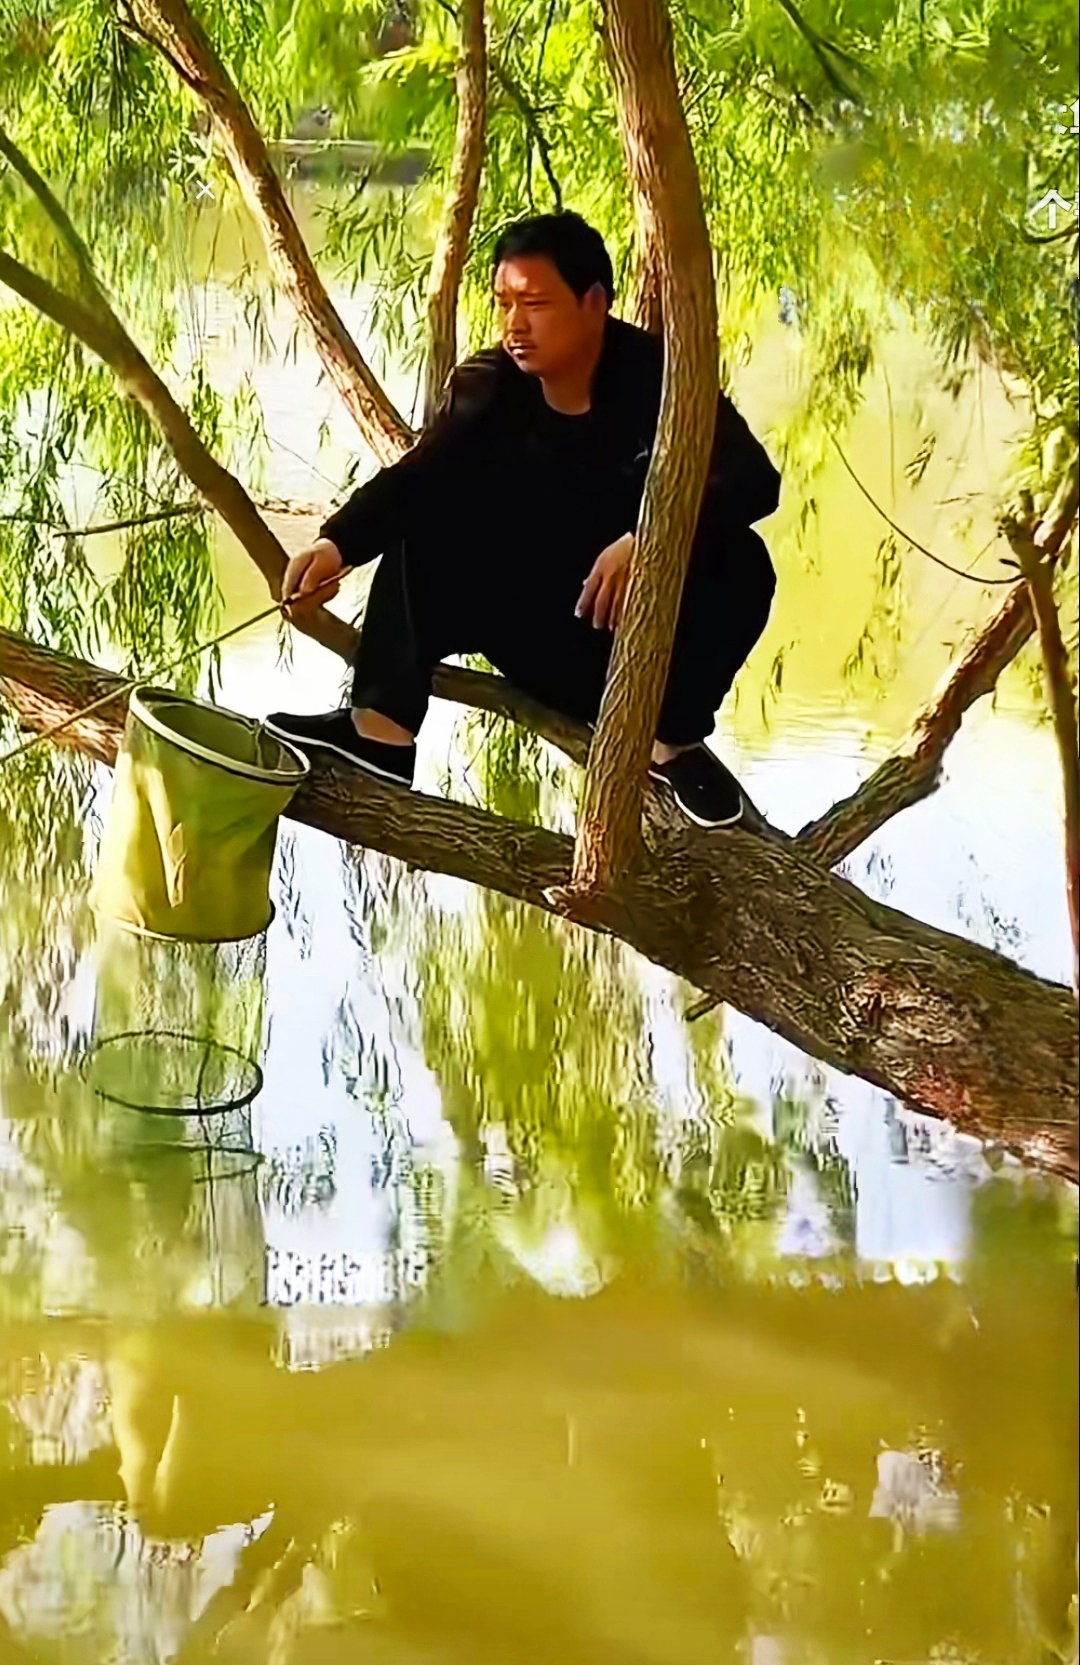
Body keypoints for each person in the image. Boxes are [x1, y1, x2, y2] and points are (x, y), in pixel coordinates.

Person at [266, 210, 780, 827]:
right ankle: (380, 734)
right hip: (539, 632)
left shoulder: (663, 381)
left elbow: (754, 481)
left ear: (594, 303)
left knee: (744, 560)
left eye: (534, 304)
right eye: (504, 304)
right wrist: (335, 546)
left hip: (643, 658)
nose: (515, 324)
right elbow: (417, 478)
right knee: (427, 522)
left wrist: (651, 541)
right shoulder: (490, 387)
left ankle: (671, 742)